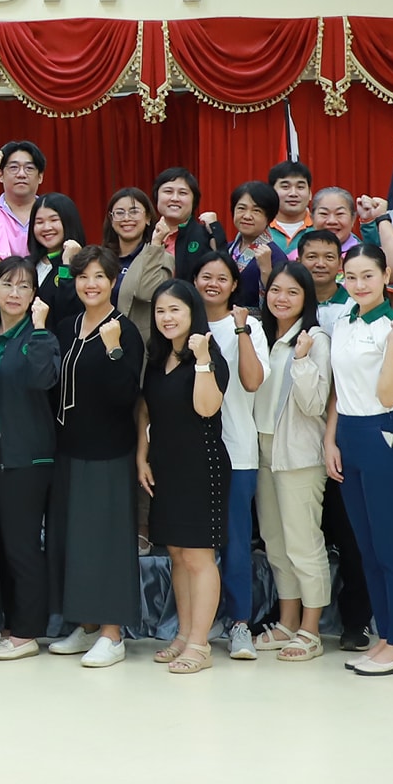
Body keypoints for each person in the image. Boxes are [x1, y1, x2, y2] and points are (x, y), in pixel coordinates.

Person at [324, 244, 393, 677]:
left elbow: (387, 396)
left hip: (382, 433)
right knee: (365, 547)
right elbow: (339, 390)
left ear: (385, 277)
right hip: (348, 434)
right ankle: (383, 637)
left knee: (389, 546)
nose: (359, 284)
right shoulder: (343, 319)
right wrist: (331, 441)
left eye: (368, 276)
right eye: (352, 276)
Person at [48, 247, 145, 669]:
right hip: (70, 447)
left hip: (109, 450)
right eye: (83, 276)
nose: (91, 284)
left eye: (100, 276)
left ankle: (112, 633)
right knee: (73, 540)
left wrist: (113, 351)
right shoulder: (68, 325)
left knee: (106, 542)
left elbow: (127, 395)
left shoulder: (123, 330)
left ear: (113, 282)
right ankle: (86, 624)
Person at [138, 279, 230, 675]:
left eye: (175, 309)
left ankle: (200, 643)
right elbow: (146, 409)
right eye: (160, 311)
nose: (167, 317)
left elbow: (206, 408)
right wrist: (142, 456)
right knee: (176, 554)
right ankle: (184, 634)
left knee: (198, 556)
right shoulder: (158, 359)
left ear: (192, 311)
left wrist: (203, 359)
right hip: (165, 466)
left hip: (201, 466)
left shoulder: (209, 357)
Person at [0, 256, 60, 660]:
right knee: (1, 544)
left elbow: (44, 379)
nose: (14, 293)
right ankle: (7, 624)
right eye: (7, 284)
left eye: (25, 286)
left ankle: (26, 632)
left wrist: (40, 328)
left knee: (22, 544)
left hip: (24, 453)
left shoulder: (40, 336)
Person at [250, 263, 333, 663]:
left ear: (307, 298)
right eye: (275, 290)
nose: (281, 298)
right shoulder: (263, 335)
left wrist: (301, 360)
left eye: (292, 292)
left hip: (298, 453)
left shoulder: (313, 338)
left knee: (304, 542)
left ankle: (311, 629)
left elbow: (315, 403)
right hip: (262, 449)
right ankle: (286, 622)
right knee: (276, 543)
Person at [298, 226, 369, 649]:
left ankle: (355, 620)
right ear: (299, 259)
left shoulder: (352, 310)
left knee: (351, 534)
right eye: (312, 256)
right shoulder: (287, 303)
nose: (320, 263)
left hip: (342, 435)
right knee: (303, 534)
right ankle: (292, 614)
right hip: (296, 441)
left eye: (329, 256)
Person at [192, 250, 265, 660]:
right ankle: (196, 625)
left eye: (222, 277)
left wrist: (241, 332)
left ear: (235, 284)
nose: (213, 283)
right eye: (205, 276)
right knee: (195, 545)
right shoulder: (181, 319)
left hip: (237, 450)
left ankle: (240, 625)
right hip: (190, 453)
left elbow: (252, 382)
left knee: (237, 543)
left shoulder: (249, 325)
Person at [310, 186, 393, 282]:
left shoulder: (364, 254)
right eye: (323, 214)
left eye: (340, 214)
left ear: (353, 219)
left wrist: (381, 217)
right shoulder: (298, 254)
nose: (331, 221)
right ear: (312, 218)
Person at [150, 167, 230, 282]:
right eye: (168, 191)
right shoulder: (145, 232)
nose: (175, 198)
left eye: (183, 193)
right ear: (157, 196)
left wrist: (215, 230)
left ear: (194, 200)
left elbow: (224, 270)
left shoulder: (205, 234)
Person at [0, 140, 45, 267]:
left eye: (29, 168)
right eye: (14, 168)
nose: (21, 174)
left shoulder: (48, 211)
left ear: (40, 177)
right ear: (0, 175)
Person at [225, 181, 289, 307]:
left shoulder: (275, 256)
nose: (247, 216)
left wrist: (266, 270)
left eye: (256, 211)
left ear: (269, 217)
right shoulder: (228, 249)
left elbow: (280, 300)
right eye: (241, 208)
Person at [28, 193, 86, 331]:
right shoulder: (27, 264)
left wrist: (68, 265)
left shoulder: (87, 264)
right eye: (39, 222)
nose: (46, 227)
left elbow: (69, 309)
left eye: (54, 220)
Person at [102, 187, 156, 290]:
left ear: (148, 218)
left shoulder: (156, 258)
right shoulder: (101, 257)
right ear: (111, 219)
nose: (126, 218)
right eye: (119, 213)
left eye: (134, 212)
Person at [266, 161, 314, 256]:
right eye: (285, 187)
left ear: (310, 194)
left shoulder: (321, 227)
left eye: (300, 187)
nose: (293, 193)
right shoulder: (258, 229)